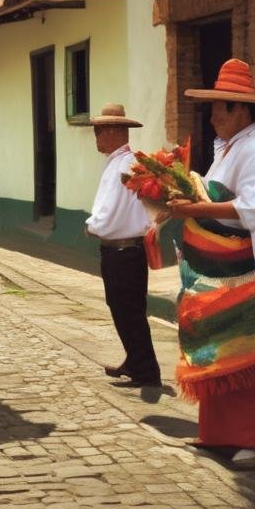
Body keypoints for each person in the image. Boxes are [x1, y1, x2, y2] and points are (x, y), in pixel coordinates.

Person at [167, 59, 255, 470]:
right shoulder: (231, 148)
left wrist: (195, 207)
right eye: (214, 108)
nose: (213, 116)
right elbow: (214, 193)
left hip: (248, 270)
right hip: (223, 272)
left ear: (242, 110)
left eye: (221, 108)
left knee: (250, 351)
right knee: (222, 349)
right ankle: (219, 433)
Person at [84, 104, 159, 387]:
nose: (96, 137)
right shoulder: (120, 162)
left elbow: (111, 208)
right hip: (121, 249)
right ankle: (136, 361)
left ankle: (146, 369)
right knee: (123, 308)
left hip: (124, 250)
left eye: (99, 131)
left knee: (129, 310)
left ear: (115, 131)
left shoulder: (126, 165)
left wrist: (93, 226)